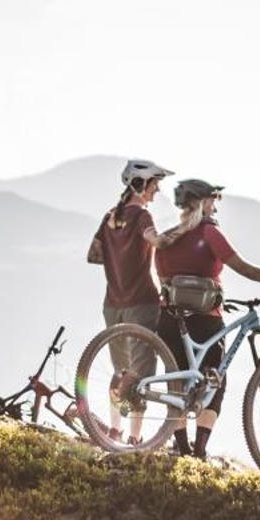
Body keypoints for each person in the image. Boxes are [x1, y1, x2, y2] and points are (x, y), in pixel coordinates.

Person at [154, 177, 260, 458]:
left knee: (175, 382)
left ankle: (181, 446)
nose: (215, 208)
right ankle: (199, 450)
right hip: (205, 321)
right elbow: (242, 267)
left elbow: (163, 278)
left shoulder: (167, 237)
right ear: (202, 202)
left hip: (170, 318)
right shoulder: (209, 232)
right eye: (212, 201)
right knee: (214, 380)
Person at [87, 158, 172, 444]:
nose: (157, 191)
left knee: (119, 368)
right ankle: (135, 438)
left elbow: (93, 255)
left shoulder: (110, 216)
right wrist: (182, 230)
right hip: (142, 301)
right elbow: (156, 242)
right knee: (140, 372)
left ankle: (115, 429)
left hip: (113, 302)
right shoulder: (143, 216)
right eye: (155, 184)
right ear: (140, 184)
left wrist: (118, 257)